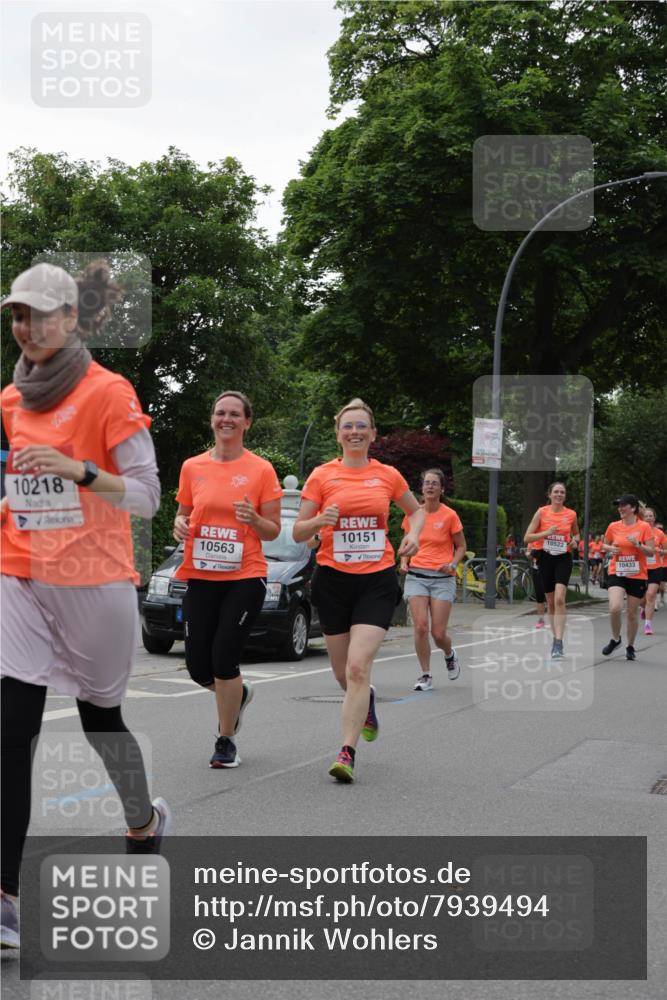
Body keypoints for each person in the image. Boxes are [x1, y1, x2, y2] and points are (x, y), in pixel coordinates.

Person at [1, 261, 169, 950]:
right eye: (18, 314)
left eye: (41, 313)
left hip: (96, 582)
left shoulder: (110, 392)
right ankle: (6, 900)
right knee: (11, 730)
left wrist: (80, 472)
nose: (27, 326)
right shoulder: (10, 399)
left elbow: (147, 496)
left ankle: (143, 821)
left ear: (71, 319)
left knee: (103, 721)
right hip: (19, 572)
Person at [293, 398, 424, 783]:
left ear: (372, 434)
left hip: (376, 580)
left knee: (356, 666)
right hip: (333, 581)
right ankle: (365, 703)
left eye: (361, 426)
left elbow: (415, 511)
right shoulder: (321, 476)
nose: (354, 431)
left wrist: (413, 535)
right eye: (347, 426)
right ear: (338, 434)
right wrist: (319, 519)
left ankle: (346, 752)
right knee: (341, 673)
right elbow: (299, 532)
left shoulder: (388, 475)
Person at [173, 391, 282, 768]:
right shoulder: (192, 467)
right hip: (201, 575)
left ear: (247, 422)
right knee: (198, 669)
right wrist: (178, 525)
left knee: (223, 657)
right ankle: (240, 693)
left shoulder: (261, 470)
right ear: (212, 419)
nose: (227, 419)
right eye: (221, 413)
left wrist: (253, 519)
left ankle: (225, 740)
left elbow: (271, 531)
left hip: (245, 576)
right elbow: (183, 515)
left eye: (235, 414)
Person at [399, 469, 466, 690]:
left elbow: (461, 546)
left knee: (438, 633)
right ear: (422, 488)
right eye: (426, 483)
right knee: (420, 627)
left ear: (442, 489)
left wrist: (454, 564)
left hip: (442, 577)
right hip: (417, 575)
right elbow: (408, 541)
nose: (429, 486)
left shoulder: (450, 515)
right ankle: (425, 674)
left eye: (434, 483)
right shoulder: (413, 513)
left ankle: (449, 653)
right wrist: (403, 561)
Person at [523, 481, 580, 659]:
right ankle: (555, 639)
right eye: (556, 492)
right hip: (545, 558)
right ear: (549, 494)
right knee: (551, 602)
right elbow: (527, 537)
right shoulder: (542, 512)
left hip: (563, 558)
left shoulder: (571, 514)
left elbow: (576, 534)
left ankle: (558, 641)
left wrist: (575, 541)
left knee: (560, 599)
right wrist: (545, 533)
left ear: (565, 496)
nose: (559, 495)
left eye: (562, 492)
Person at [601, 494, 654, 660]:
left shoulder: (644, 527)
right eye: (619, 505)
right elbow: (604, 544)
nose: (620, 508)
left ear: (633, 508)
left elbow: (651, 551)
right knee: (615, 607)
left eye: (623, 505)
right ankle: (615, 639)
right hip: (617, 571)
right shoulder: (613, 526)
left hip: (637, 574)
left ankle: (630, 646)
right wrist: (610, 549)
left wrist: (637, 544)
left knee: (632, 613)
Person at [639, 508, 665, 636]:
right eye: (646, 516)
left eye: (651, 516)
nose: (649, 518)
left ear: (654, 518)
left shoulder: (660, 534)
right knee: (641, 598)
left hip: (656, 568)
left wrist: (661, 551)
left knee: (651, 595)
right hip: (641, 568)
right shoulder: (639, 532)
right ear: (643, 518)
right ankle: (643, 608)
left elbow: (666, 550)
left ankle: (648, 624)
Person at [526, 543, 547, 628]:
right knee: (539, 595)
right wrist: (530, 554)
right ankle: (541, 619)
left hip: (549, 570)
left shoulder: (548, 536)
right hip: (536, 569)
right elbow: (528, 553)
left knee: (549, 595)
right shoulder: (533, 539)